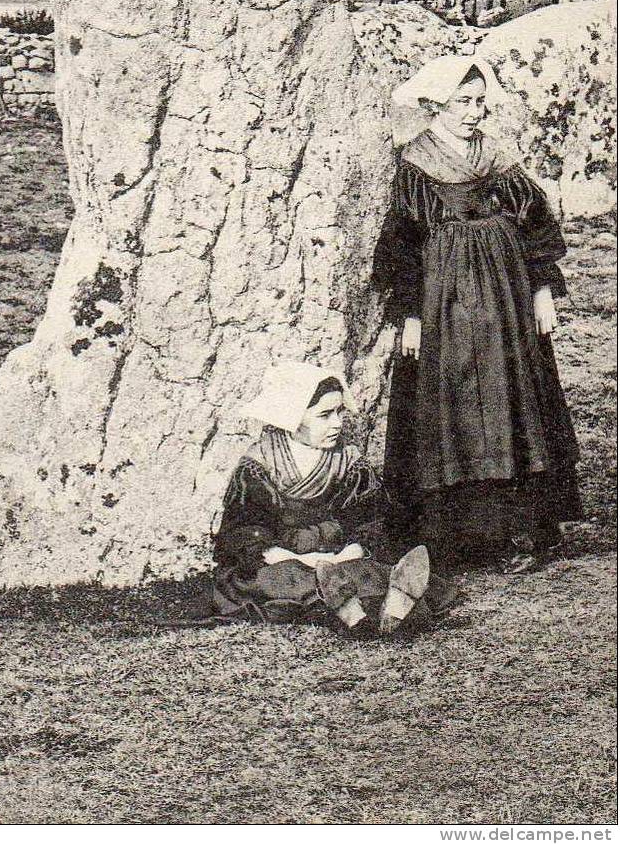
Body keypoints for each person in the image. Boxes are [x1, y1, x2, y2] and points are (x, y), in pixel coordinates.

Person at [378, 55, 582, 574]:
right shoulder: (415, 166)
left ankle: (523, 530)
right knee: (453, 409)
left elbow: (536, 226)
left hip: (507, 307)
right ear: (434, 107)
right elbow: (402, 248)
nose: (473, 113)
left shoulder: (497, 159)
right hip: (444, 311)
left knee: (513, 401)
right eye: (462, 104)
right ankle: (458, 539)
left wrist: (542, 291)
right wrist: (411, 316)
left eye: (478, 103)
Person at [211, 361, 452, 635]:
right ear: (291, 417)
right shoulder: (260, 463)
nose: (337, 423)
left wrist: (350, 552)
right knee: (283, 580)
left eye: (339, 412)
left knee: (363, 571)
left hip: (339, 554)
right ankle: (353, 611)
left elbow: (369, 519)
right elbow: (246, 531)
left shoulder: (347, 459)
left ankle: (388, 605)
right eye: (325, 415)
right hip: (284, 558)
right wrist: (301, 559)